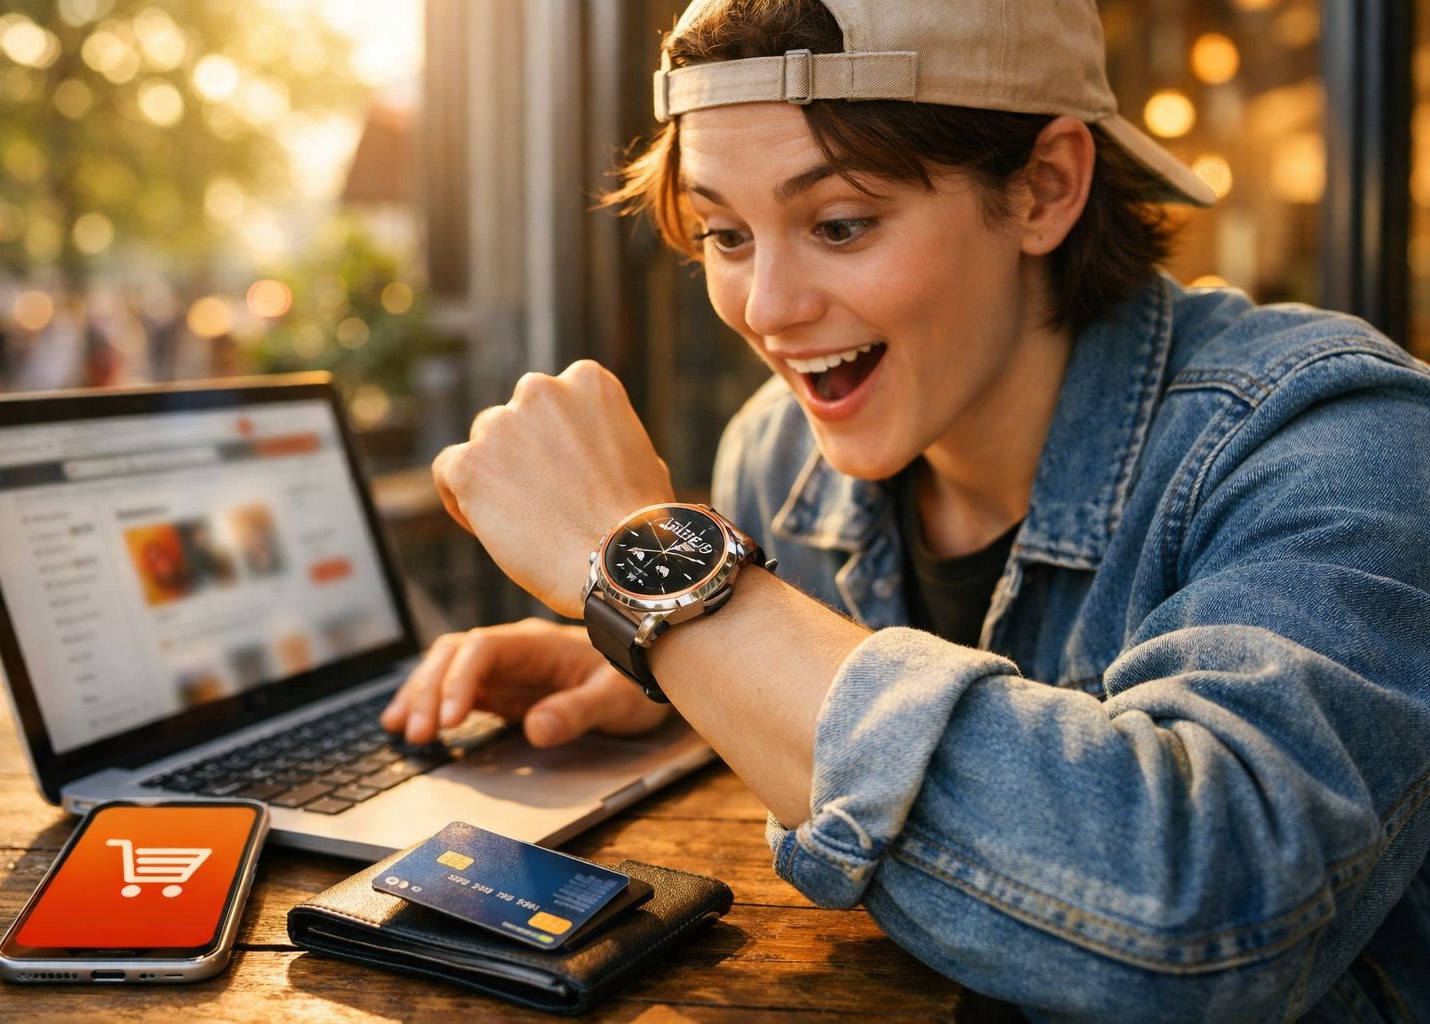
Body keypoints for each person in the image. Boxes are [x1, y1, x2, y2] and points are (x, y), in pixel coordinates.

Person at [381, 1, 1430, 1018]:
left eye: (839, 224)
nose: (767, 307)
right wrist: (662, 667)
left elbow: (1214, 913)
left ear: (1044, 188)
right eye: (724, 233)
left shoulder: (1338, 435)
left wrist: (657, 569)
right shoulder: (778, 454)